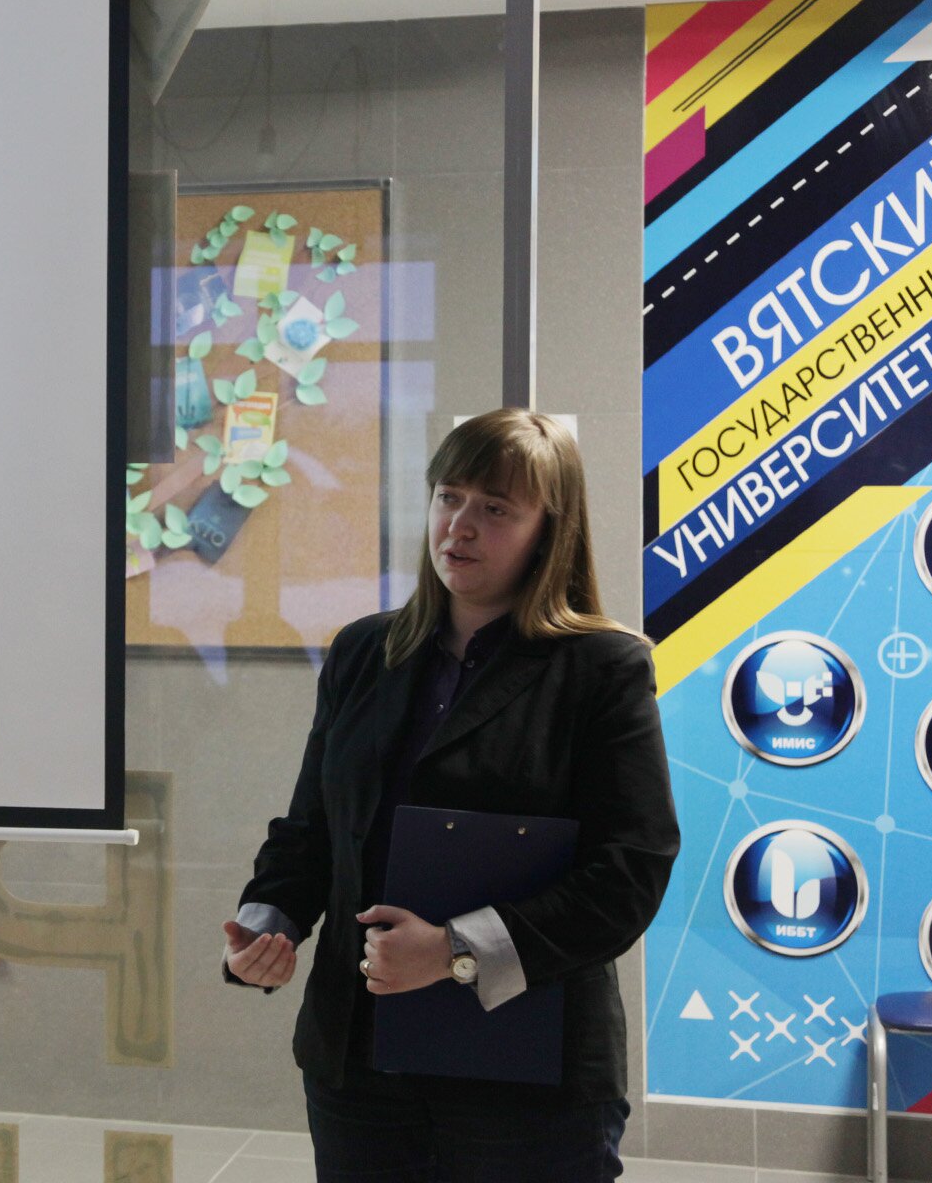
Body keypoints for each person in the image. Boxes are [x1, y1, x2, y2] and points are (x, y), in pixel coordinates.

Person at [224, 408, 680, 1182]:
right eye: (449, 497)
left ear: (550, 529)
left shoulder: (602, 668)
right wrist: (267, 925)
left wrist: (455, 951)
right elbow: (312, 830)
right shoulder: (363, 651)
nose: (459, 526)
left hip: (527, 1074)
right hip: (360, 1066)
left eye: (495, 509)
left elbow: (630, 875)